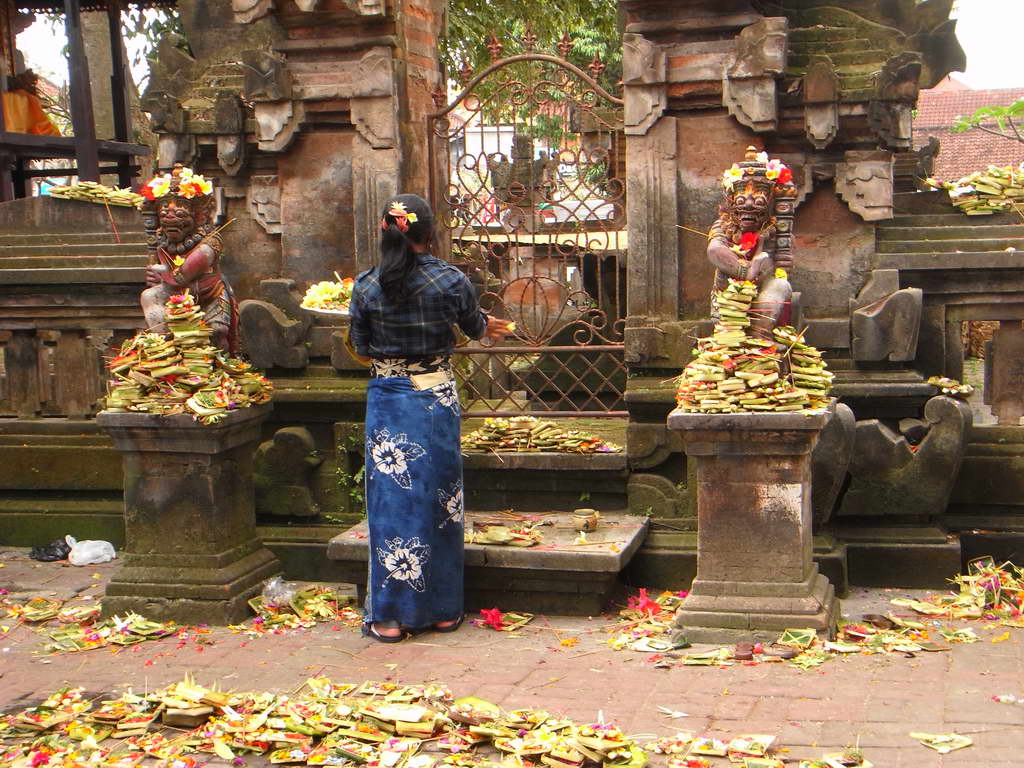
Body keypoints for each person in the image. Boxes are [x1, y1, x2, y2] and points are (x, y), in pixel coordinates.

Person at [348, 193, 511, 642]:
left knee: (393, 503)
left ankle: (390, 618)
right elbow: (475, 329)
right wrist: (483, 323)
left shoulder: (365, 286)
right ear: (430, 234)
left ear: (384, 232)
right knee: (441, 500)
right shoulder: (451, 280)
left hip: (388, 396)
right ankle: (442, 610)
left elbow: (360, 346)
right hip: (436, 395)